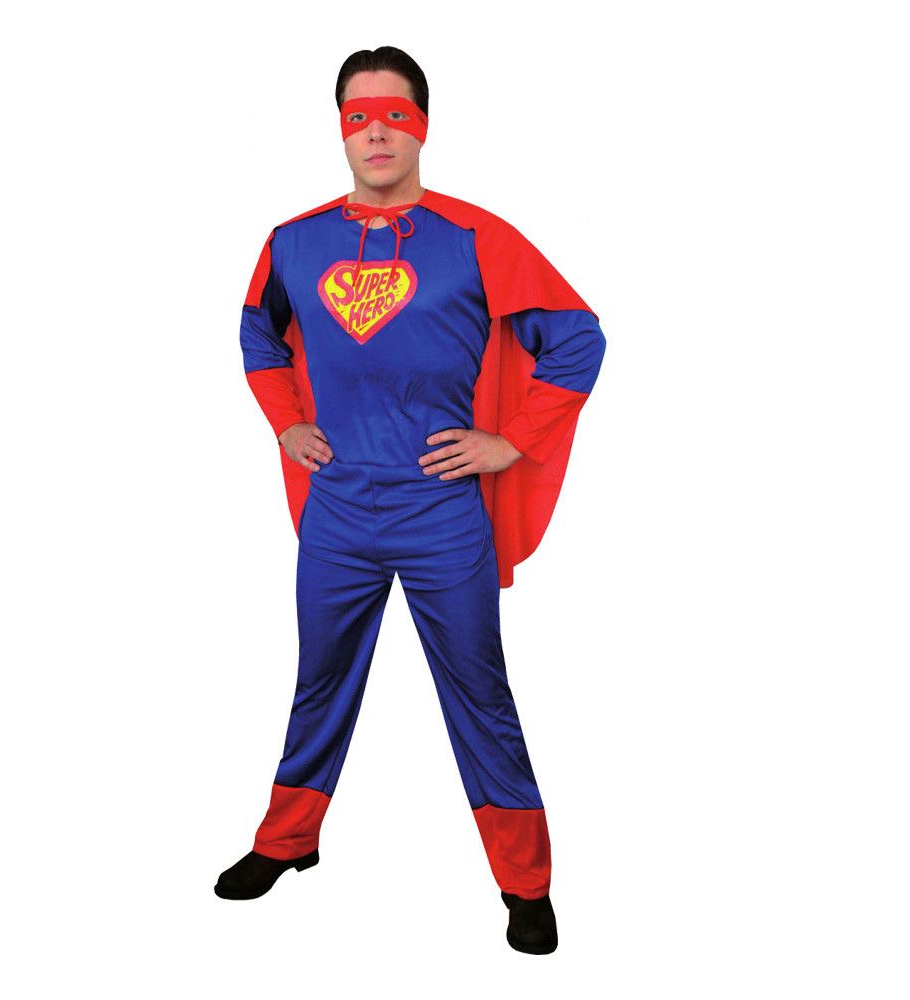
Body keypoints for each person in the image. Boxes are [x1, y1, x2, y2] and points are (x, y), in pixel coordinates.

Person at [215, 46, 606, 956]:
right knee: (320, 679)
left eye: (396, 113)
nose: (378, 132)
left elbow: (577, 336)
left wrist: (510, 442)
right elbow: (257, 332)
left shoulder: (475, 237)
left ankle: (526, 883)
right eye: (358, 116)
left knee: (478, 690)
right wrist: (285, 422)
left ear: (422, 125)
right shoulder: (294, 242)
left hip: (441, 509)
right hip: (338, 509)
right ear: (340, 130)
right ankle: (287, 841)